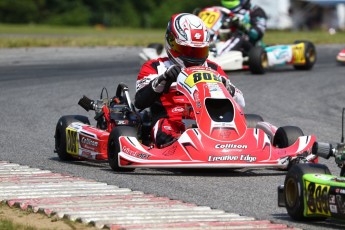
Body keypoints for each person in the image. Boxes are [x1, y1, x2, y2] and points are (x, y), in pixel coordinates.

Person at [134, 13, 245, 148]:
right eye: (187, 50)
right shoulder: (156, 67)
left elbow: (241, 103)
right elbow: (140, 102)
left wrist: (228, 88)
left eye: (198, 51)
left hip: (209, 120)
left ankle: (226, 142)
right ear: (171, 42)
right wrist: (163, 80)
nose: (193, 56)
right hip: (171, 121)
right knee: (164, 132)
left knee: (244, 124)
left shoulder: (213, 68)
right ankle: (185, 146)